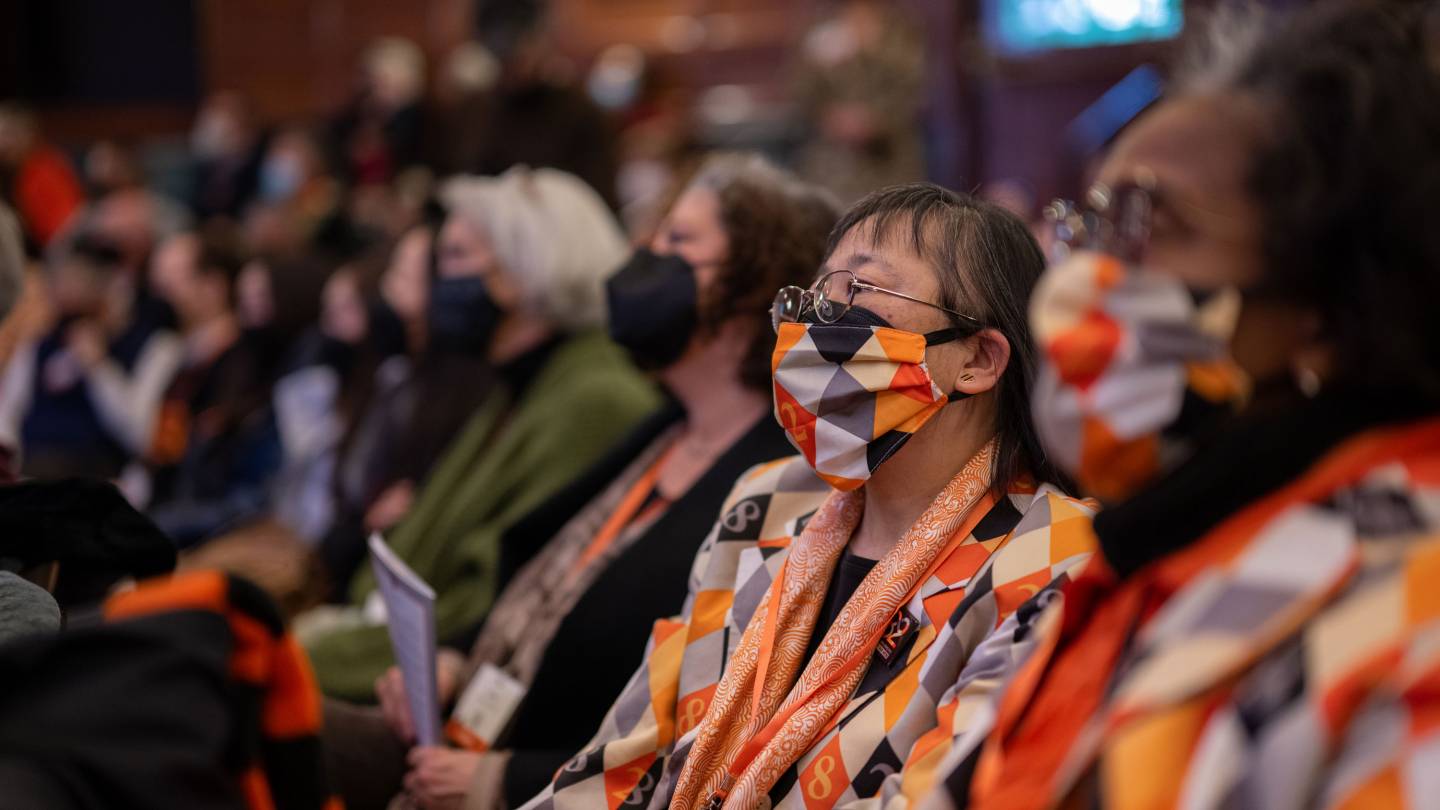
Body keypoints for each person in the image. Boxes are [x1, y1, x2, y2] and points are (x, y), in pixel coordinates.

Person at [943, 4, 1440, 809]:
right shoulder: (1147, 551)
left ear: (1324, 297)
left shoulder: (1411, 585)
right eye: (1090, 227)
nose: (1084, 281)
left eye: (1149, 222)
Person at [512, 183, 1094, 810]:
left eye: (862, 290)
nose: (818, 319)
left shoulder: (1054, 556)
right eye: (819, 291)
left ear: (978, 359)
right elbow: (628, 755)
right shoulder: (766, 502)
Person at [323, 154, 837, 810]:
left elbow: (700, 729)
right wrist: (454, 657)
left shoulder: (781, 479)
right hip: (466, 736)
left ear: (752, 286)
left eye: (677, 242)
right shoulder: (664, 433)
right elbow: (539, 584)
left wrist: (506, 780)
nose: (644, 258)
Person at [299, 167, 663, 700]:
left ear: (524, 270)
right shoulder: (521, 383)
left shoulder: (592, 398)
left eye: (455, 259)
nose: (436, 282)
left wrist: (315, 655)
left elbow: (493, 597)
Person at [0, 236, 182, 480]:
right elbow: (7, 416)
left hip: (103, 481)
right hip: (34, 476)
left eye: (85, 281)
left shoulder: (154, 347)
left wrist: (99, 368)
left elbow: (141, 436)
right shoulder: (40, 345)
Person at [143, 229, 279, 546]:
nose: (166, 293)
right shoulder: (186, 358)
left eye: (177, 280)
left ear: (213, 286)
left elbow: (231, 484)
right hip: (166, 503)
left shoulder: (241, 367)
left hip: (201, 526)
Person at [793, 0, 926, 205]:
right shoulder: (819, 29)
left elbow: (914, 89)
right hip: (832, 166)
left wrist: (877, 121)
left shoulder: (901, 29)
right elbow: (800, 92)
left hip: (890, 160)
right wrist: (831, 118)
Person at [0, 104, 85, 252]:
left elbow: (63, 233)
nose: (3, 144)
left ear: (29, 135)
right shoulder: (14, 173)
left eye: (9, 134)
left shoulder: (42, 174)